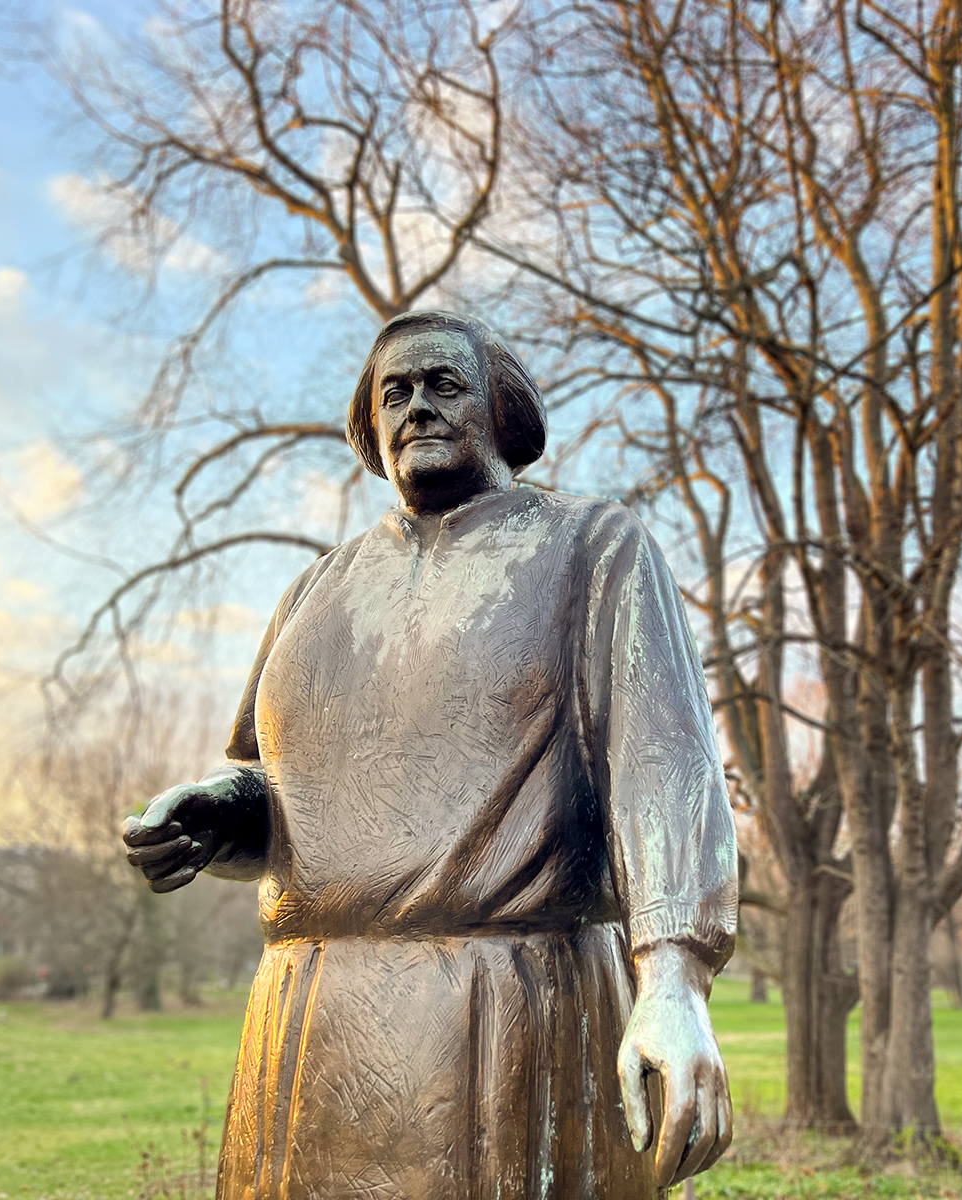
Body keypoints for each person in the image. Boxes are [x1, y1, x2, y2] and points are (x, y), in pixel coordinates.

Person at [124, 311, 739, 1199]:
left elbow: (664, 767)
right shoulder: (316, 589)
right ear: (370, 427)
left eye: (442, 383)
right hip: (309, 1017)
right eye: (393, 393)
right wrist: (217, 812)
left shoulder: (591, 548)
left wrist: (674, 980)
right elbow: (283, 791)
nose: (415, 406)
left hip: (512, 1002)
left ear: (499, 407)